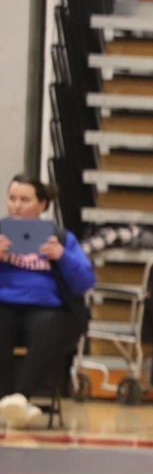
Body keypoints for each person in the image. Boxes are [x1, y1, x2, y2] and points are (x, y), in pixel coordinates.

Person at [0, 175, 94, 428]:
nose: (17, 206)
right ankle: (7, 402)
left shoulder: (60, 237)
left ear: (42, 204)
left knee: (51, 326)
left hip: (48, 308)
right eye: (12, 199)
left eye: (25, 200)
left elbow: (85, 281)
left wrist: (62, 256)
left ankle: (20, 398)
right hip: (4, 304)